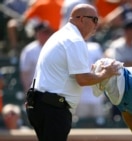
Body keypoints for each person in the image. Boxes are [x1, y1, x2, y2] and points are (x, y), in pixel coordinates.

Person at [25, 4, 120, 141]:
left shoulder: (60, 35)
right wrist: (106, 73)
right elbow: (82, 79)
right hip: (53, 108)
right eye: (94, 19)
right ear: (81, 19)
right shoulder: (75, 40)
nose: (96, 25)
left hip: (40, 104)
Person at [20, 22, 54, 93]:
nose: (45, 35)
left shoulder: (56, 47)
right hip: (35, 90)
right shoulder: (29, 50)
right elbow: (25, 73)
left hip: (53, 89)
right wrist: (28, 91)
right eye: (42, 32)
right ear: (36, 34)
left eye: (47, 32)